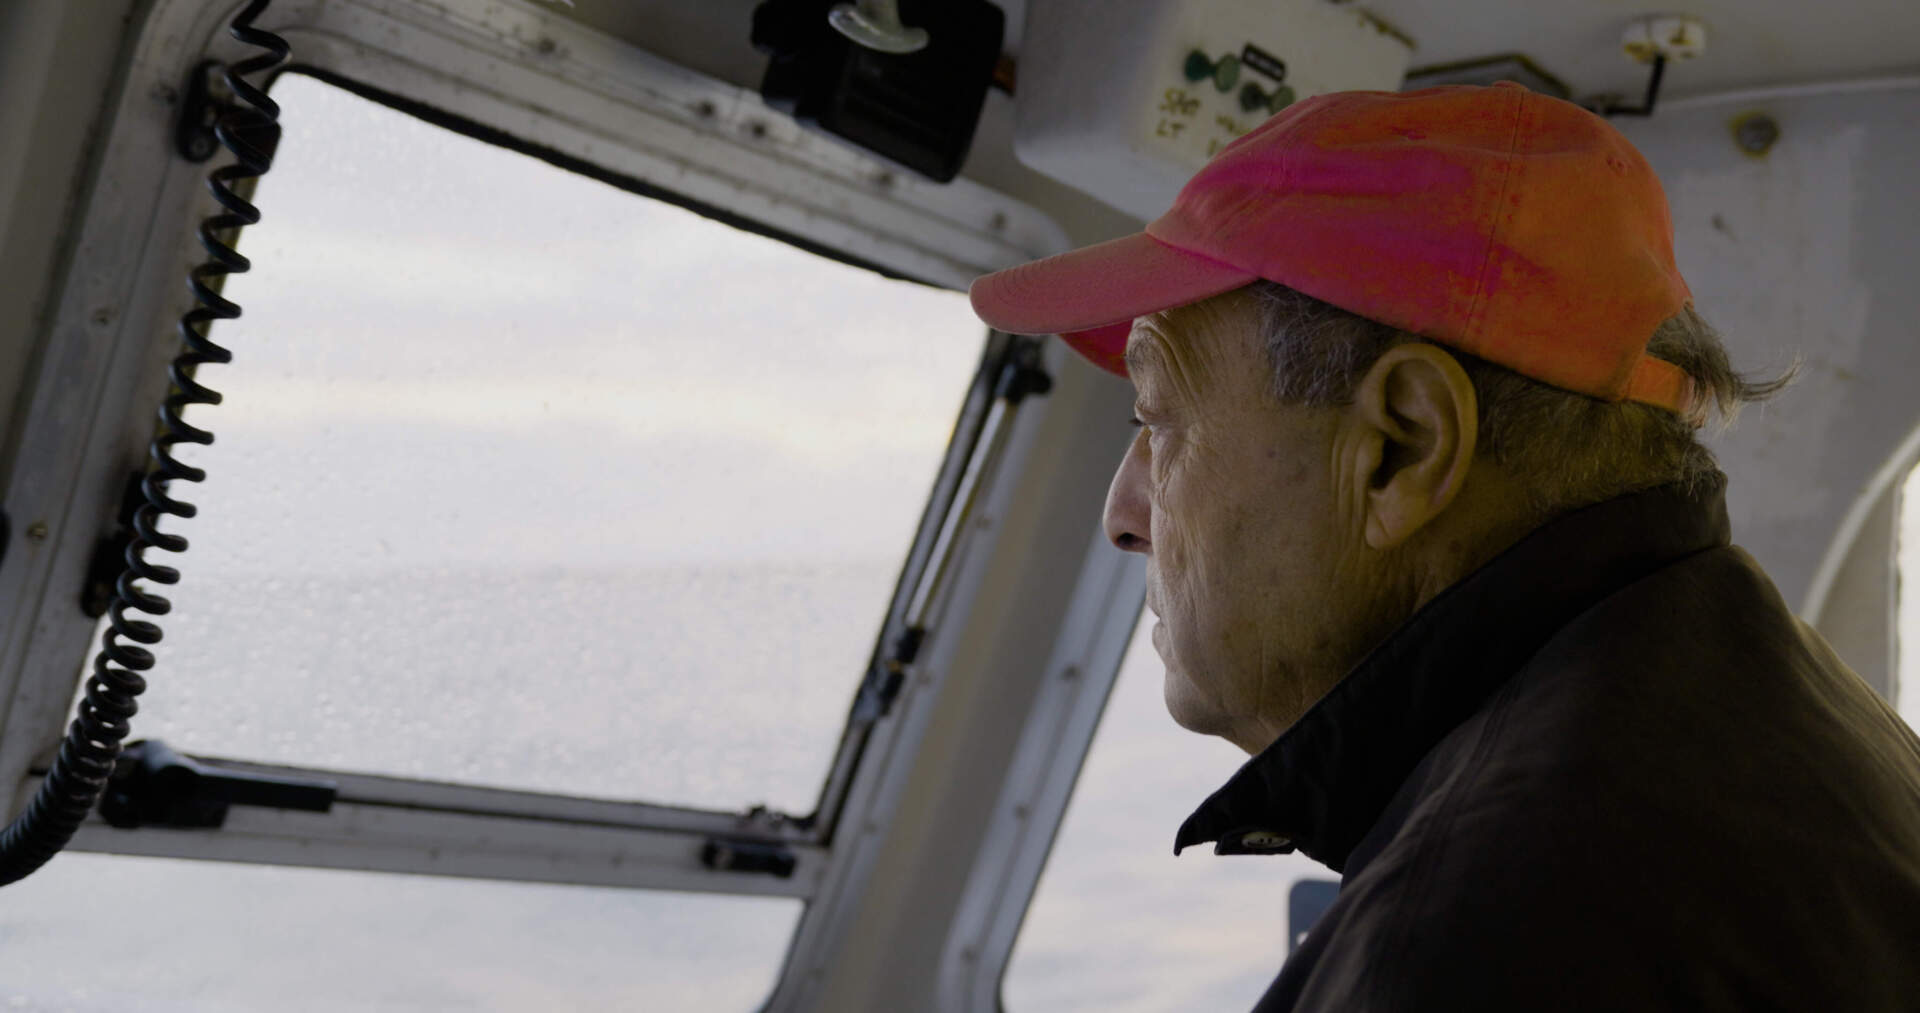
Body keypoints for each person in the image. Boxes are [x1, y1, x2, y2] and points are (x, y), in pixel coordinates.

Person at [970, 82, 1920, 1011]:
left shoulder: (1477, 937)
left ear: (1402, 448)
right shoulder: (1796, 731)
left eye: (1160, 417)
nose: (1123, 514)